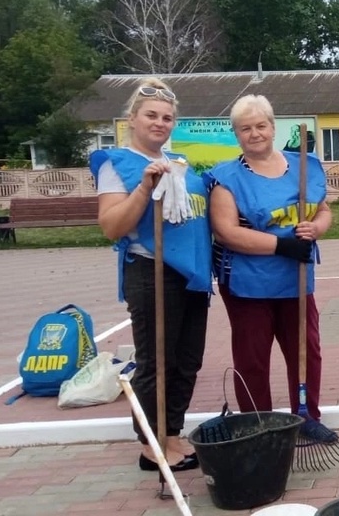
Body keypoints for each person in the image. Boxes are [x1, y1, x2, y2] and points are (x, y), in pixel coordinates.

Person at [89, 77, 211, 472]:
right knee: (157, 361)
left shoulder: (180, 165)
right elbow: (111, 226)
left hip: (190, 275)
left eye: (167, 117)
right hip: (151, 271)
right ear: (132, 119)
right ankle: (151, 444)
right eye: (151, 116)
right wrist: (144, 189)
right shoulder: (118, 165)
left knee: (187, 360)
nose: (160, 123)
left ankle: (171, 434)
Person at [205, 95, 333, 424]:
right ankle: (257, 425)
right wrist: (282, 245)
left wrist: (315, 228)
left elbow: (323, 210)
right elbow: (226, 232)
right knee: (253, 360)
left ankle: (308, 419)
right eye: (245, 128)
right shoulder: (226, 178)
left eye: (261, 125)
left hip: (296, 279)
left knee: (306, 354)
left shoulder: (305, 166)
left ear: (273, 127)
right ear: (236, 134)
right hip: (249, 284)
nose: (255, 133)